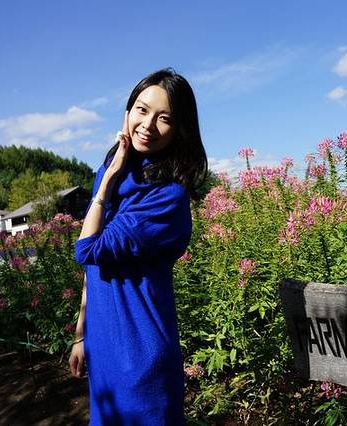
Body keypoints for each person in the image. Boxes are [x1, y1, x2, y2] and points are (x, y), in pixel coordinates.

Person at [68, 68, 207, 425]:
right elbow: (93, 268)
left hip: (140, 355)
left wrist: (105, 185)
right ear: (127, 112)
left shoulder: (167, 197)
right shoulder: (114, 172)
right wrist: (81, 335)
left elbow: (87, 249)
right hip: (104, 346)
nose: (147, 125)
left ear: (179, 129)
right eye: (141, 110)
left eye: (164, 118)